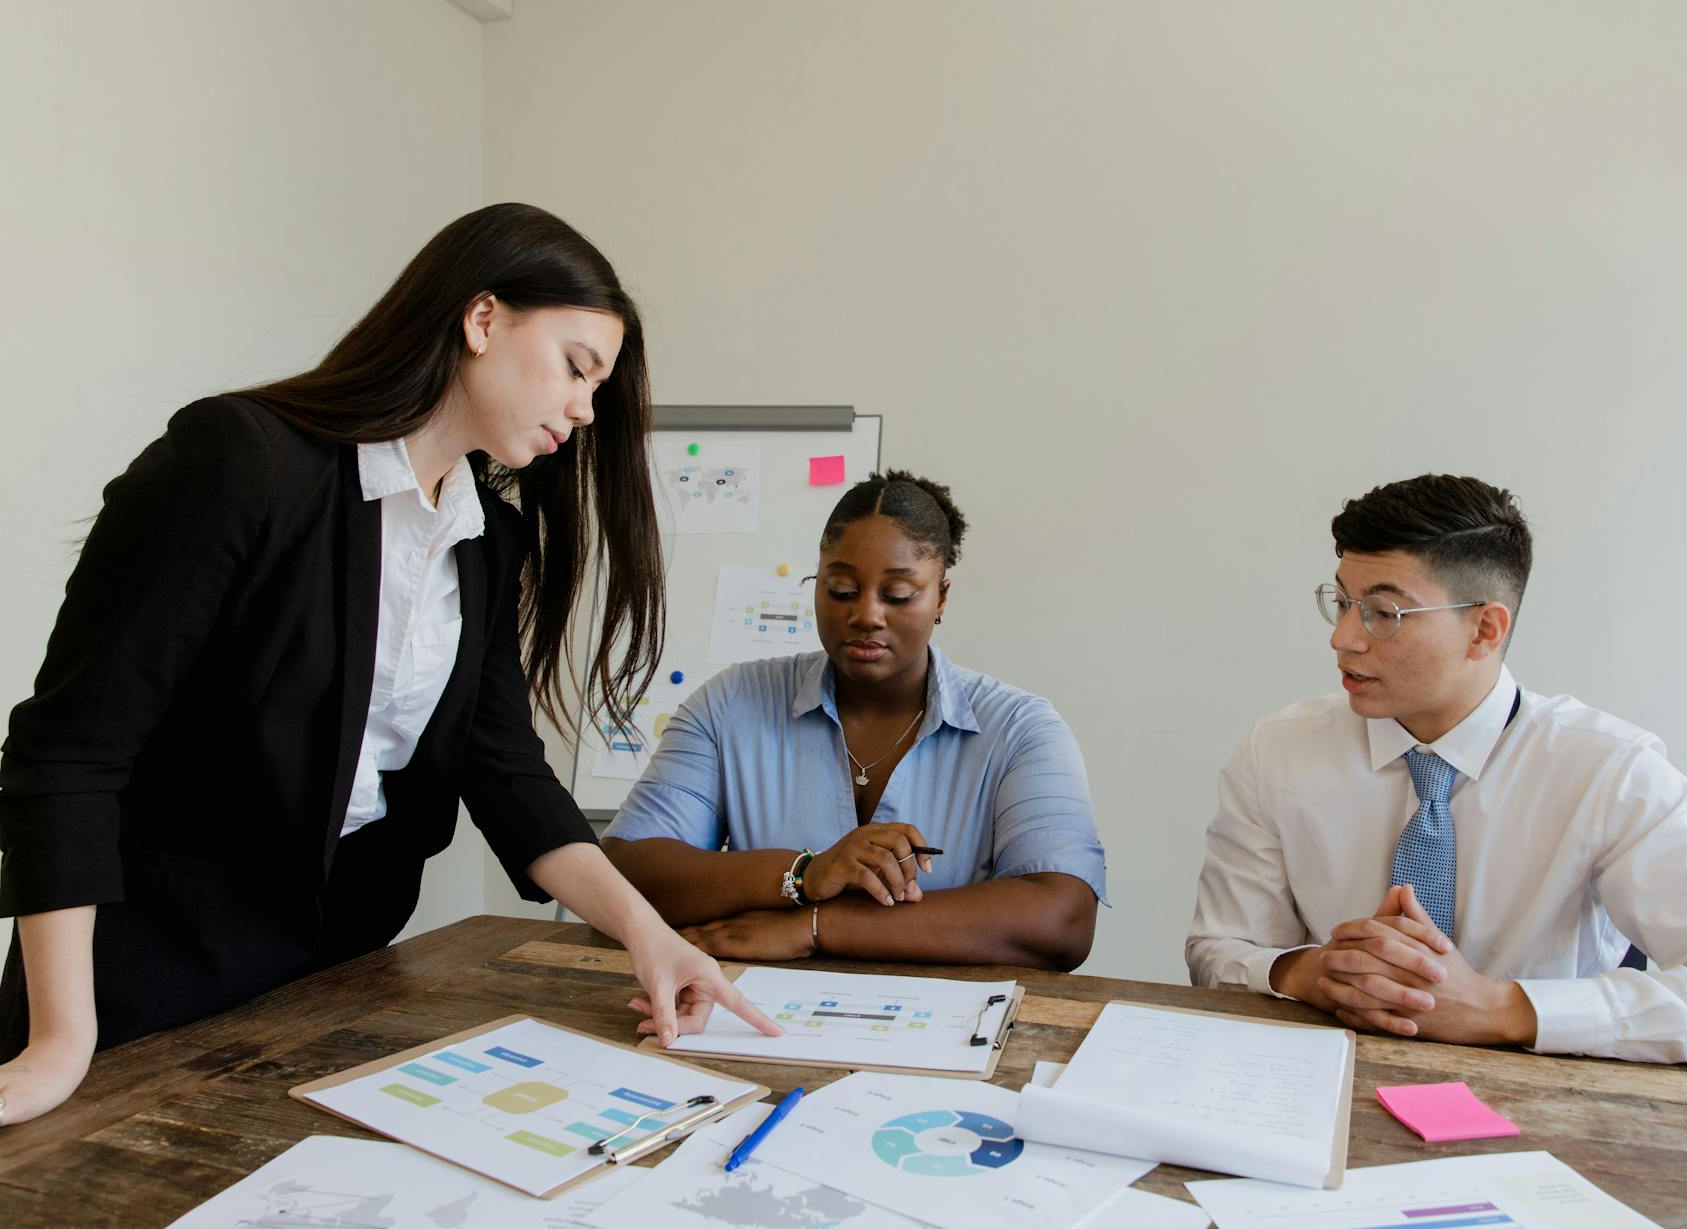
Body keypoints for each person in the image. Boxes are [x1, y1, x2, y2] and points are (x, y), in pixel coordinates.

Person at [0, 203, 777, 1128]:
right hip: (138, 984)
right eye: (577, 368)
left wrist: (652, 939)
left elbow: (503, 766)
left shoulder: (487, 536)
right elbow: (67, 757)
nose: (584, 408)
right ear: (482, 319)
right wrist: (59, 1040)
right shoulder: (240, 463)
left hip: (335, 981)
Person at [1186, 474, 1687, 1070]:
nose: (1343, 639)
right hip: (1318, 1087)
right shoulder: (1278, 751)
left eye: (1383, 612)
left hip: (1553, 1115)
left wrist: (1501, 1008)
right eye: (1341, 601)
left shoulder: (1607, 771)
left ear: (1484, 630)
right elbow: (1219, 949)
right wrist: (1305, 971)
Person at [601, 471, 1106, 979]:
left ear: (942, 598)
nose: (866, 614)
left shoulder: (1021, 730)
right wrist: (803, 874)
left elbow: (1062, 919)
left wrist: (814, 928)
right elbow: (625, 872)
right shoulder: (731, 704)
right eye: (841, 590)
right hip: (744, 1019)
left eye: (899, 594)